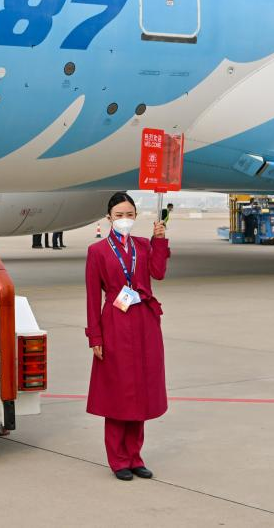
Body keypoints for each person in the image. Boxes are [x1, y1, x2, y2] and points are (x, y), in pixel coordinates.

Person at [85, 192, 169, 481]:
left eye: (129, 215)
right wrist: (95, 336)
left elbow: (158, 273)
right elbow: (92, 297)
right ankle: (118, 459)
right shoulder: (97, 252)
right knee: (118, 392)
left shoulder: (144, 247)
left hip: (145, 323)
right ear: (109, 218)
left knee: (141, 391)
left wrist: (160, 240)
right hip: (115, 324)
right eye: (119, 215)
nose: (124, 220)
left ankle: (135, 456)